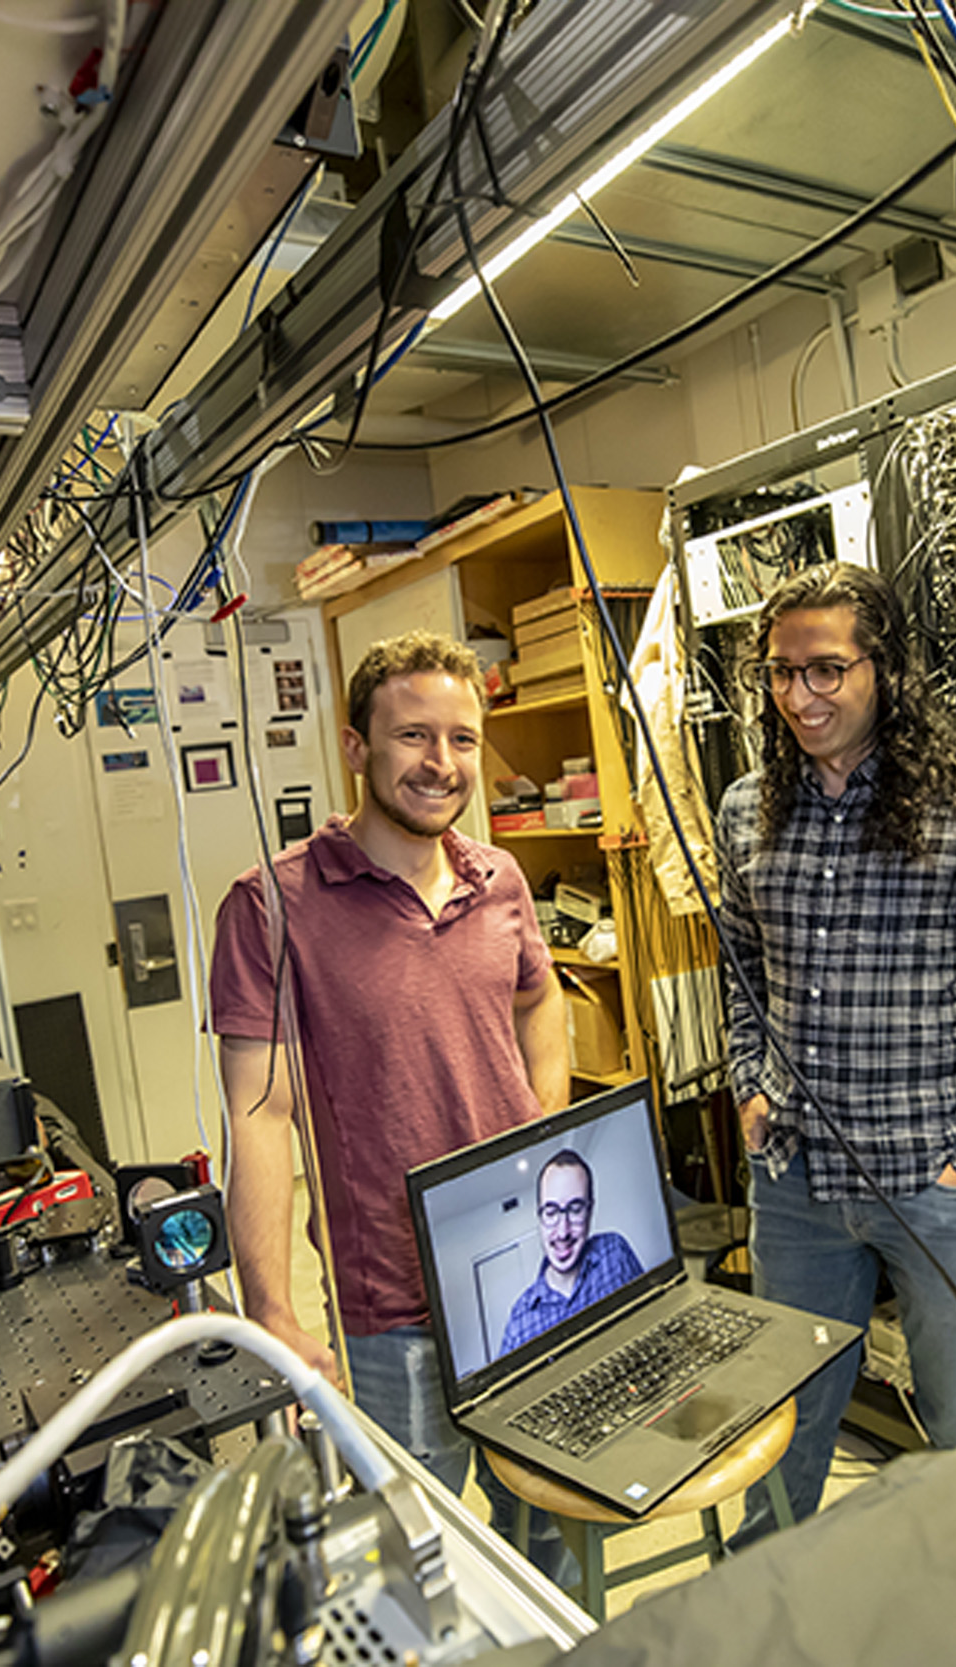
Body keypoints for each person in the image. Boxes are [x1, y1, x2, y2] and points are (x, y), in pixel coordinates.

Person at [716, 561, 956, 1539]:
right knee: (781, 1426)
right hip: (794, 1177)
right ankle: (771, 1610)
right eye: (782, 673)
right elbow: (738, 972)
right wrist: (751, 1086)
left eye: (827, 669)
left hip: (934, 1180)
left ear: (884, 668)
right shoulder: (747, 809)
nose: (801, 695)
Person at [206, 628, 577, 1577]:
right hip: (396, 1303)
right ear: (355, 744)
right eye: (414, 735)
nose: (441, 763)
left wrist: (546, 1127)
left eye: (461, 738)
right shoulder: (272, 906)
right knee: (412, 1566)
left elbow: (542, 1001)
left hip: (532, 1277)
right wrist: (271, 1307)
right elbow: (262, 1114)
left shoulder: (501, 880)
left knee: (556, 1550)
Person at [499, 1149, 643, 1353]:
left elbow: (652, 1316)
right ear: (540, 1218)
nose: (562, 1232)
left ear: (590, 1211)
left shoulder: (615, 1252)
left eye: (575, 1209)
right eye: (551, 1212)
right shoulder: (519, 1320)